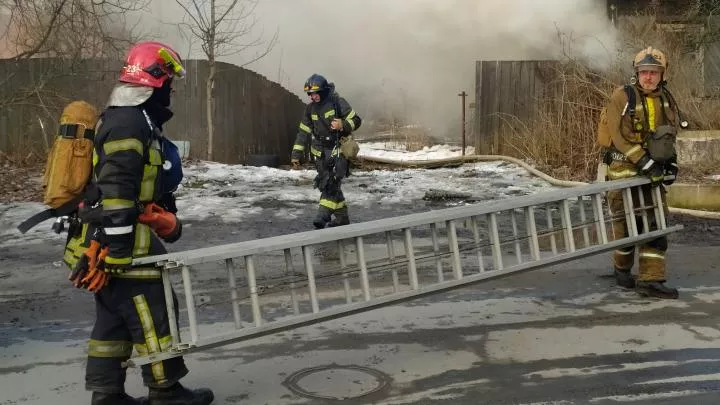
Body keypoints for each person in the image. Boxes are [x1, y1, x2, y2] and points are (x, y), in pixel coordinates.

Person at [62, 41, 214, 405]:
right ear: (155, 78)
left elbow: (138, 187)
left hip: (114, 237)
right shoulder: (129, 122)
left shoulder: (131, 118)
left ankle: (107, 394)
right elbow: (116, 191)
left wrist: (165, 222)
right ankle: (166, 391)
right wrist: (116, 250)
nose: (172, 90)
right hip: (120, 243)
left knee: (113, 321)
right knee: (155, 313)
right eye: (169, 81)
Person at [603, 46, 682, 299]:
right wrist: (644, 161)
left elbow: (669, 135)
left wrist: (671, 164)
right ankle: (621, 268)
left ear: (663, 74)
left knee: (656, 224)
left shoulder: (666, 99)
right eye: (644, 72)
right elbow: (618, 136)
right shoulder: (622, 97)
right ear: (636, 73)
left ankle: (651, 279)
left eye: (654, 72)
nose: (648, 77)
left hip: (652, 172)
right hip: (623, 170)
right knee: (627, 227)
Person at [290, 73, 362, 229]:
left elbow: (356, 120)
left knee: (331, 183)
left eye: (315, 93)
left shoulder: (337, 102)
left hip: (339, 152)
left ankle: (322, 216)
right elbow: (303, 132)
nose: (312, 97)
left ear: (322, 91)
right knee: (327, 185)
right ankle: (342, 219)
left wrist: (343, 124)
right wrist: (296, 154)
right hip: (321, 155)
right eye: (310, 94)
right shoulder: (309, 109)